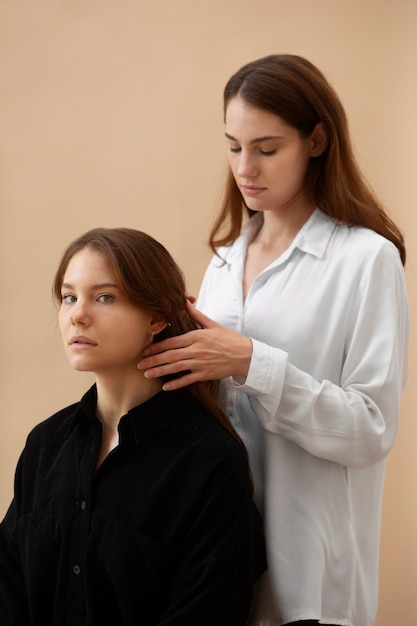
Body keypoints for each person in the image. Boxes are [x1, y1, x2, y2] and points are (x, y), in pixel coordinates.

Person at [138, 54, 410, 626]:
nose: (245, 167)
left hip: (312, 576)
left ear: (316, 141)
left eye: (266, 148)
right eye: (234, 146)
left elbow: (369, 430)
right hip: (218, 563)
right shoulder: (222, 263)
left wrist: (250, 362)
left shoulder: (365, 260)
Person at [0, 227, 265, 626]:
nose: (78, 314)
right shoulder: (45, 445)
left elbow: (209, 609)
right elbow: (7, 589)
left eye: (104, 297)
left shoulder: (210, 460)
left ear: (157, 317)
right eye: (69, 297)